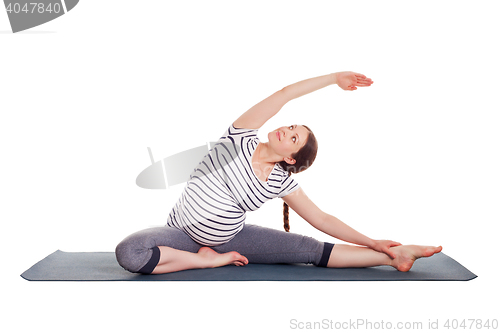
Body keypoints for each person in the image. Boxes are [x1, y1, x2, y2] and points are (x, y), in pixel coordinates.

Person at [115, 71, 442, 275]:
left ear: (290, 158)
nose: (287, 130)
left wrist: (375, 243)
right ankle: (205, 260)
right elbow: (284, 94)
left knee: (310, 249)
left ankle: (394, 258)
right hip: (182, 235)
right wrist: (333, 78)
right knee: (130, 251)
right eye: (290, 126)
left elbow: (323, 219)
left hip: (233, 237)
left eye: (295, 137)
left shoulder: (281, 181)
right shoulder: (239, 138)